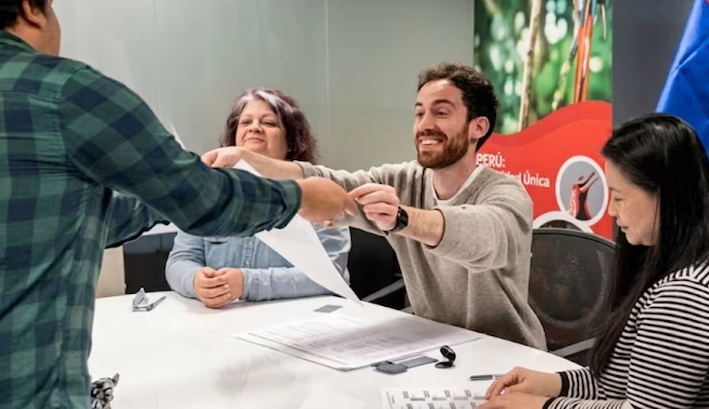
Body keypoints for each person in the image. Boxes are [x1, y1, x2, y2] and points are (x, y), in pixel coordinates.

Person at [0, 0, 354, 409]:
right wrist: (298, 197)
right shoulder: (64, 93)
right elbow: (204, 201)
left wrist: (155, 200)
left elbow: (62, 224)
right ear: (30, 5)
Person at [204, 62, 547, 349]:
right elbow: (329, 180)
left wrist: (402, 219)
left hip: (509, 359)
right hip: (439, 348)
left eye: (441, 112)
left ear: (478, 127)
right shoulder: (405, 179)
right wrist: (246, 158)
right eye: (419, 113)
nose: (425, 124)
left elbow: (480, 237)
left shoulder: (507, 194)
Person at [479, 114, 709, 409]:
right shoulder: (686, 265)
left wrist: (540, 406)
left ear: (663, 195)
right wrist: (554, 383)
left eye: (619, 197)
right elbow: (624, 384)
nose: (612, 212)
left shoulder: (688, 294)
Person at [166, 88, 351, 306]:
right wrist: (196, 281)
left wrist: (247, 283)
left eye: (269, 123)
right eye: (246, 123)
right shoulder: (211, 192)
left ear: (291, 141)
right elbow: (180, 260)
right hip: (221, 323)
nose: (255, 128)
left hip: (296, 324)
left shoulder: (316, 194)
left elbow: (331, 276)